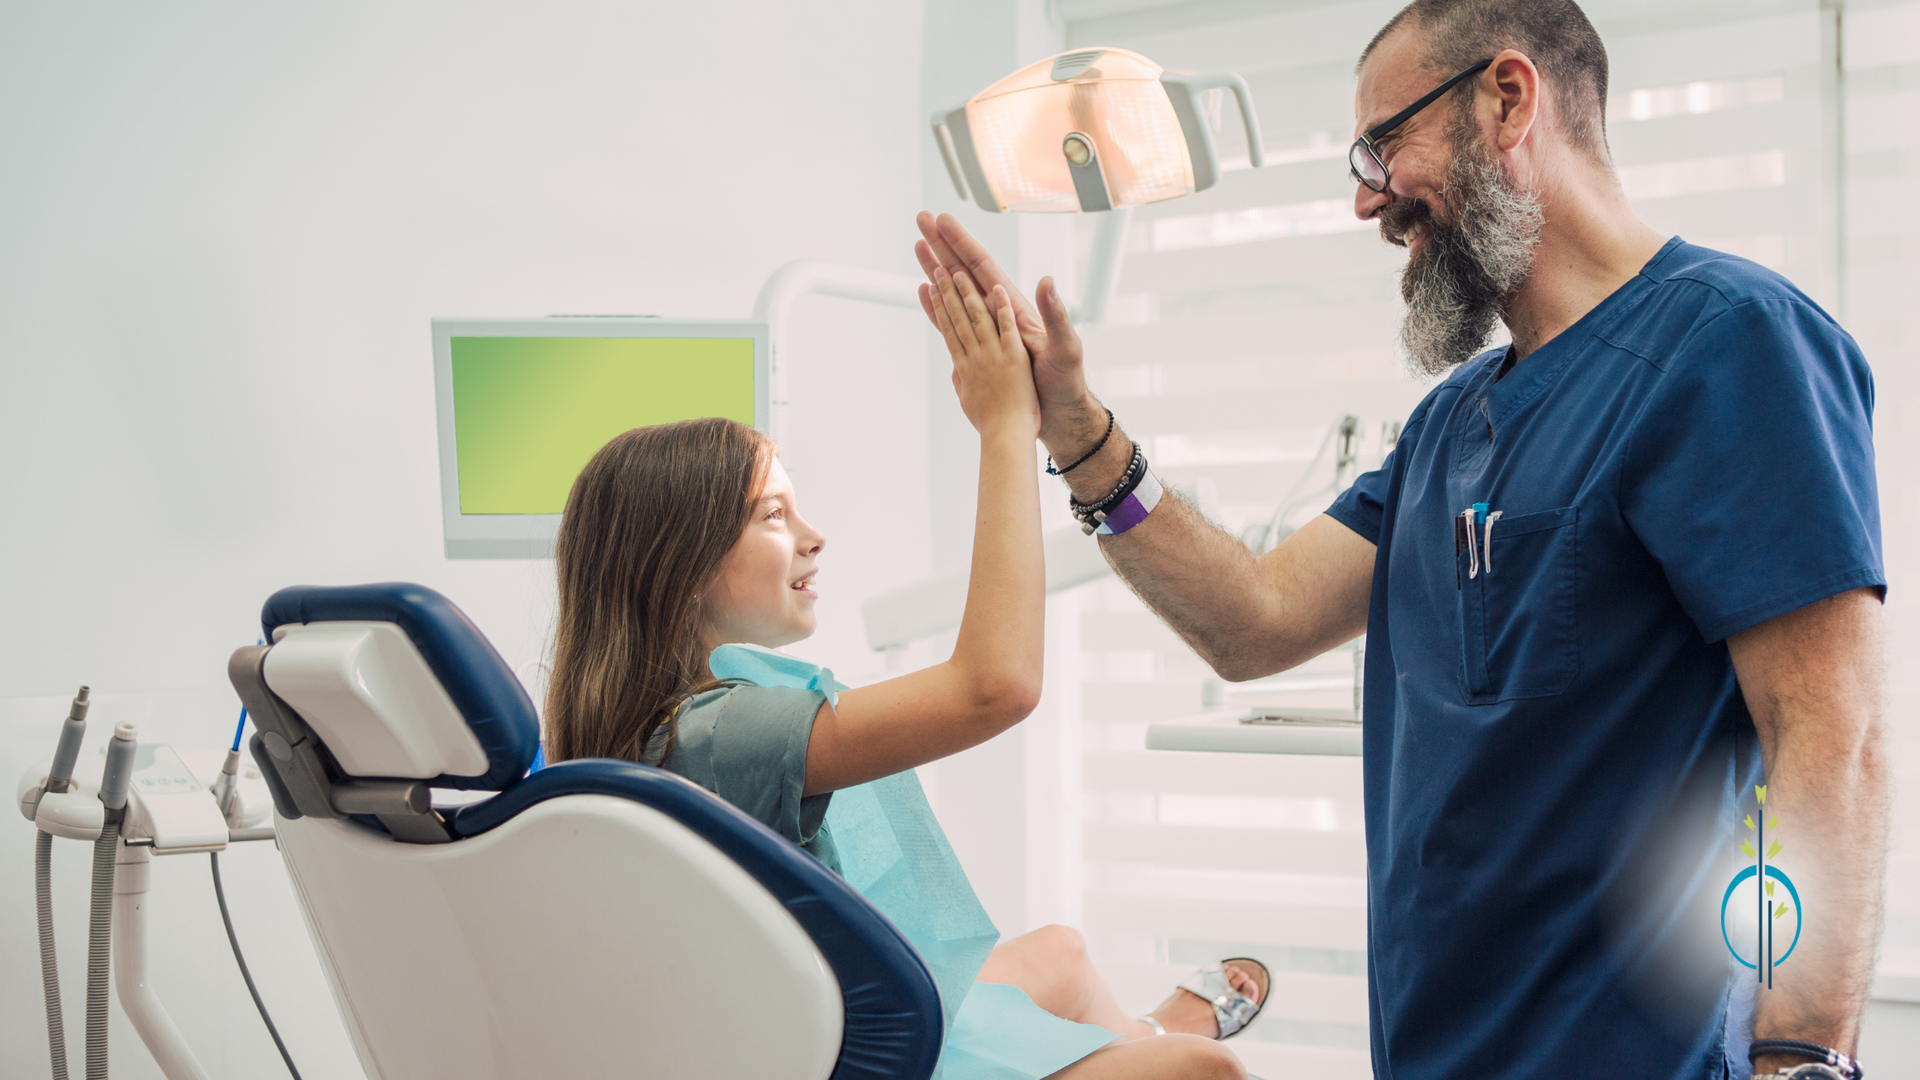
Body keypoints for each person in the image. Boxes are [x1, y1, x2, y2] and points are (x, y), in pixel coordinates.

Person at [909, 1, 1889, 1077]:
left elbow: (1830, 742)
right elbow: (1253, 619)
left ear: (1508, 99)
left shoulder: (1728, 343)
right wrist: (1076, 431)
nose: (1366, 196)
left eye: (1384, 145)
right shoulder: (1450, 424)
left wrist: (1803, 1061)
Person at [542, 269, 1264, 1080]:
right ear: (678, 562)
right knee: (1210, 1072)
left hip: (808, 1017)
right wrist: (1004, 427)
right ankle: (1157, 1045)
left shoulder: (660, 722)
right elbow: (997, 685)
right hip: (851, 1055)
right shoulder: (721, 733)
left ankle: (1135, 1033)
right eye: (774, 515)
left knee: (1060, 955)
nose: (814, 536)